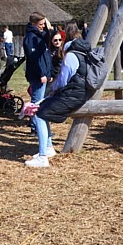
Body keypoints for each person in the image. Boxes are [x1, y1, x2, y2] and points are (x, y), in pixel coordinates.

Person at [25, 22, 84, 168]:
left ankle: (43, 156)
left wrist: (53, 91)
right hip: (78, 92)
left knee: (38, 113)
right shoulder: (83, 53)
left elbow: (63, 81)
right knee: (42, 108)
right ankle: (49, 147)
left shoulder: (70, 56)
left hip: (72, 94)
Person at [23, 12, 54, 162]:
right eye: (41, 24)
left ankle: (47, 146)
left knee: (41, 110)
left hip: (43, 76)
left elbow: (45, 54)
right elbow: (35, 58)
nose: (43, 27)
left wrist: (49, 72)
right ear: (34, 24)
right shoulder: (31, 37)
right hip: (37, 77)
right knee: (38, 110)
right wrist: (42, 73)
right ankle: (44, 144)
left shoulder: (40, 35)